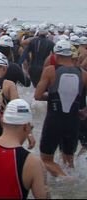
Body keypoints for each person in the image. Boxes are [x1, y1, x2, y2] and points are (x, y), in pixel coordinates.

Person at [34, 40, 87, 176]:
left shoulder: (50, 71)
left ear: (56, 55)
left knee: (46, 159)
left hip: (54, 120)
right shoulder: (83, 74)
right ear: (71, 55)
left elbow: (37, 95)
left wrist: (52, 96)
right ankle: (70, 191)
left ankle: (66, 181)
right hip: (74, 122)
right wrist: (83, 111)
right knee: (69, 161)